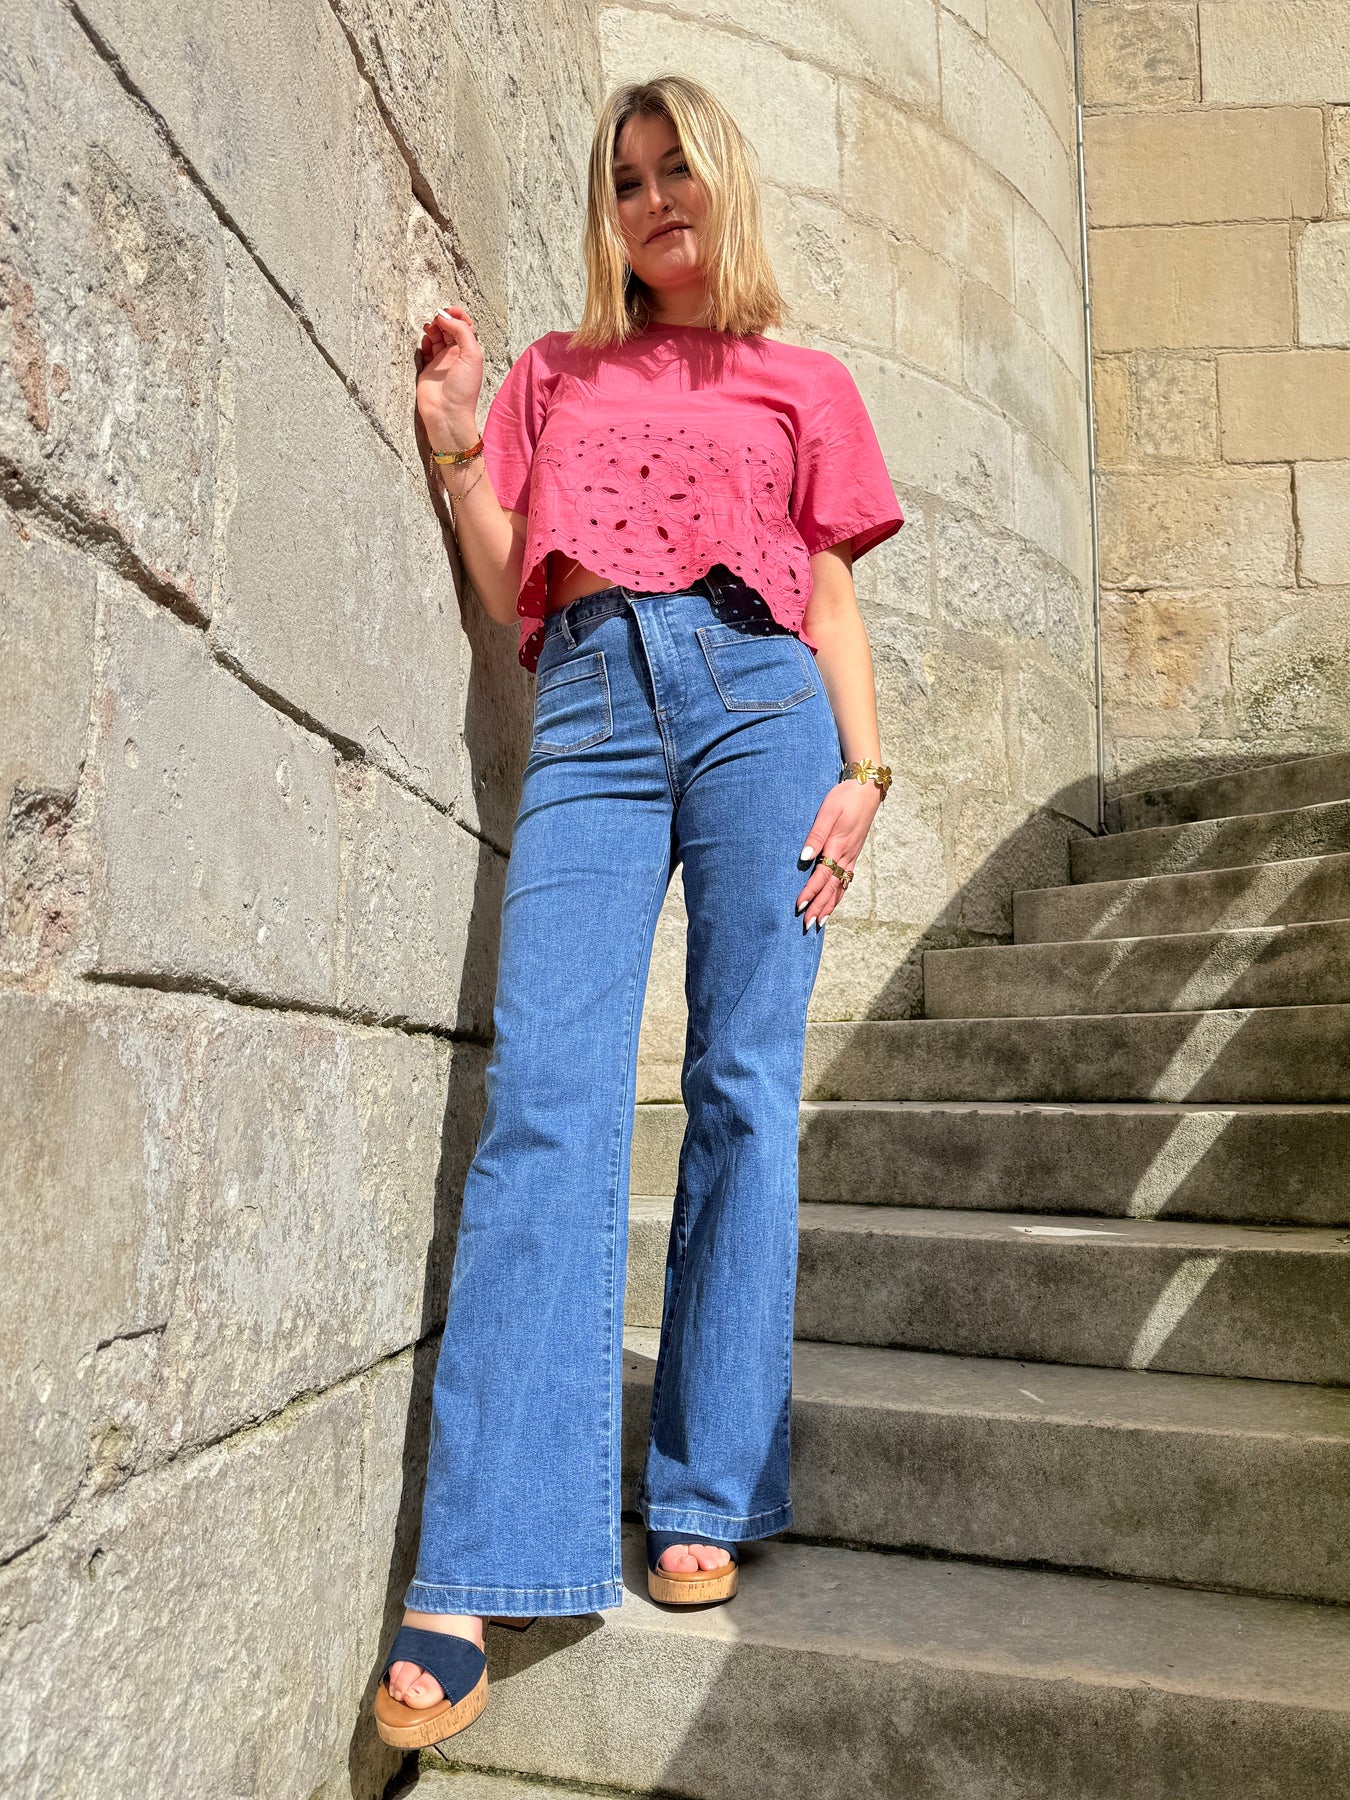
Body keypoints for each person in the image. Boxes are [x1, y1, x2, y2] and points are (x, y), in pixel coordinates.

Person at [373, 72, 901, 1750]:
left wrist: (863, 772)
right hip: (594, 705)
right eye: (625, 178)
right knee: (548, 1095)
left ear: (721, 183)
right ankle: (485, 1554)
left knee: (741, 1083)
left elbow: (827, 594)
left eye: (676, 168)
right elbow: (508, 576)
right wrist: (457, 438)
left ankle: (706, 1486)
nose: (654, 197)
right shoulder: (555, 372)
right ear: (604, 214)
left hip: (763, 707)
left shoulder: (804, 381)